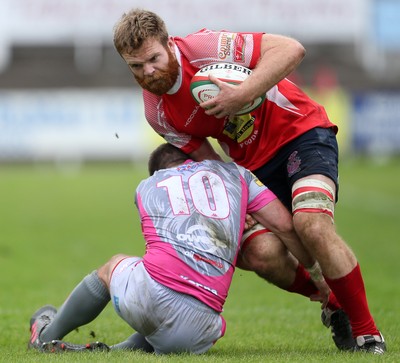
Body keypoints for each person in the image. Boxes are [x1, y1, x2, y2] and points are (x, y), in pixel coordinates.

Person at [112, 9, 386, 354]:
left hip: (300, 133)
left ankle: (367, 333)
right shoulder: (158, 113)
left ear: (169, 44)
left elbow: (291, 49)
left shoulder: (204, 47)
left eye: (153, 58)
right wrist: (236, 199)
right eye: (136, 67)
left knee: (310, 223)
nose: (148, 72)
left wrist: (243, 94)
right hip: (254, 170)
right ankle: (332, 302)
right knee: (261, 253)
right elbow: (206, 159)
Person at [29, 143, 330, 355]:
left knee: (115, 266)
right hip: (202, 327)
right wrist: (318, 275)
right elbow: (286, 226)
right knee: (188, 313)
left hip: (151, 295)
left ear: (157, 171)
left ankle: (45, 337)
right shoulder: (236, 175)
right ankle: (115, 351)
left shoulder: (145, 188)